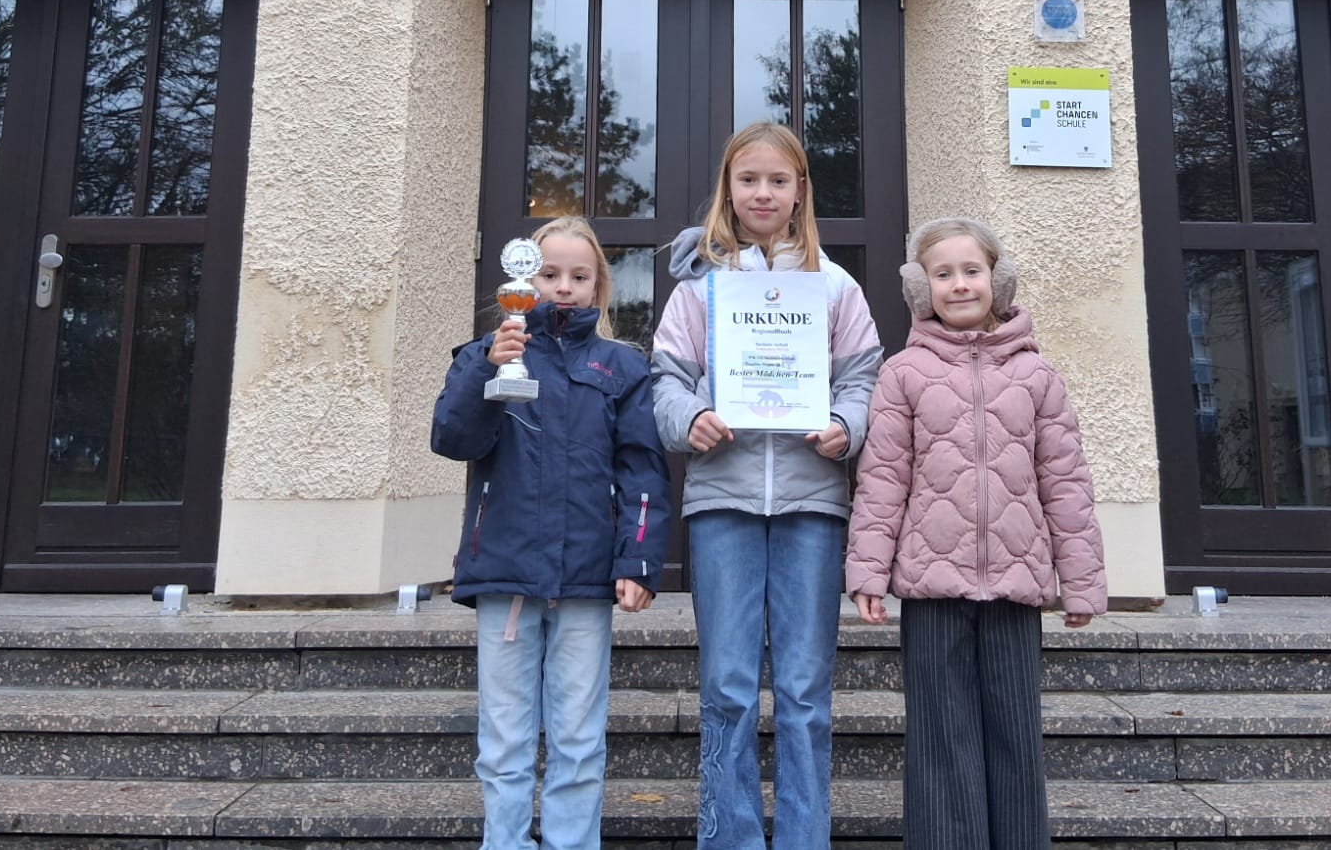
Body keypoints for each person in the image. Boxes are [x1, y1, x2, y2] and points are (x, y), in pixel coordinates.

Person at [650, 121, 883, 850]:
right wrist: (690, 417)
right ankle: (731, 839)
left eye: (777, 180)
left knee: (806, 690)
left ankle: (805, 838)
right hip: (723, 498)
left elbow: (863, 378)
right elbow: (666, 378)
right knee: (725, 685)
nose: (762, 193)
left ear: (799, 191)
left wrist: (845, 424)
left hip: (812, 503)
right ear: (728, 188)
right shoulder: (700, 287)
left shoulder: (835, 286)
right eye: (748, 179)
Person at [846, 218, 1106, 850]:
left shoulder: (1038, 376)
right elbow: (882, 480)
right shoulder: (902, 373)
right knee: (941, 737)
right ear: (921, 288)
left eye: (972, 271)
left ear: (998, 280)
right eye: (943, 274)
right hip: (932, 590)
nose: (959, 284)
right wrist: (868, 572)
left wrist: (1081, 584)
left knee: (1016, 736)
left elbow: (1065, 483)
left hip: (1016, 588)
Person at [431, 216, 672, 850]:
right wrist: (486, 371)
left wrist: (638, 560)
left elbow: (643, 471)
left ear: (598, 287)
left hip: (587, 576)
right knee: (505, 736)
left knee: (578, 736)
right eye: (548, 274)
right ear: (522, 281)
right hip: (505, 569)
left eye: (578, 276)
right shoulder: (484, 353)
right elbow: (453, 439)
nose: (563, 287)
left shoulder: (622, 367)